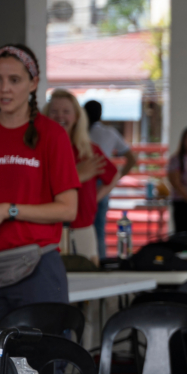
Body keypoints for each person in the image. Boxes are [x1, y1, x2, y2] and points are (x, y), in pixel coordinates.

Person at [0, 45, 79, 332]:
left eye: (14, 80)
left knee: (41, 368)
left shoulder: (52, 135)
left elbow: (69, 209)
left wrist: (8, 211)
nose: (4, 88)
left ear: (33, 84)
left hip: (37, 270)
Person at [46, 90, 118, 264]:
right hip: (51, 230)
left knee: (89, 283)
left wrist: (95, 197)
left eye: (66, 111)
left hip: (83, 229)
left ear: (77, 117)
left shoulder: (88, 151)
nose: (60, 116)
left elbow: (114, 175)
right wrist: (78, 175)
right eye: (54, 111)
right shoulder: (40, 151)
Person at [84, 99, 136, 261]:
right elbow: (132, 159)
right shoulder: (109, 132)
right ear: (101, 114)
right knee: (99, 228)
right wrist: (116, 178)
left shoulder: (78, 133)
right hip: (103, 181)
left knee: (81, 226)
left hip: (82, 181)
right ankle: (100, 262)